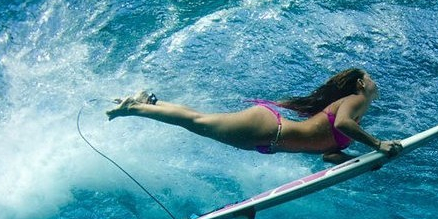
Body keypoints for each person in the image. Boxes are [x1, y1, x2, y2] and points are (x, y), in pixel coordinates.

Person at [106, 68, 403, 164]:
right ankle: (134, 109)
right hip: (266, 128)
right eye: (371, 78)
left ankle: (150, 102)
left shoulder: (355, 115)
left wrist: (356, 163)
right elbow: (342, 124)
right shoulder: (355, 100)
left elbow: (327, 154)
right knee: (197, 123)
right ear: (362, 84)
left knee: (199, 120)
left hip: (266, 138)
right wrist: (378, 145)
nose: (377, 83)